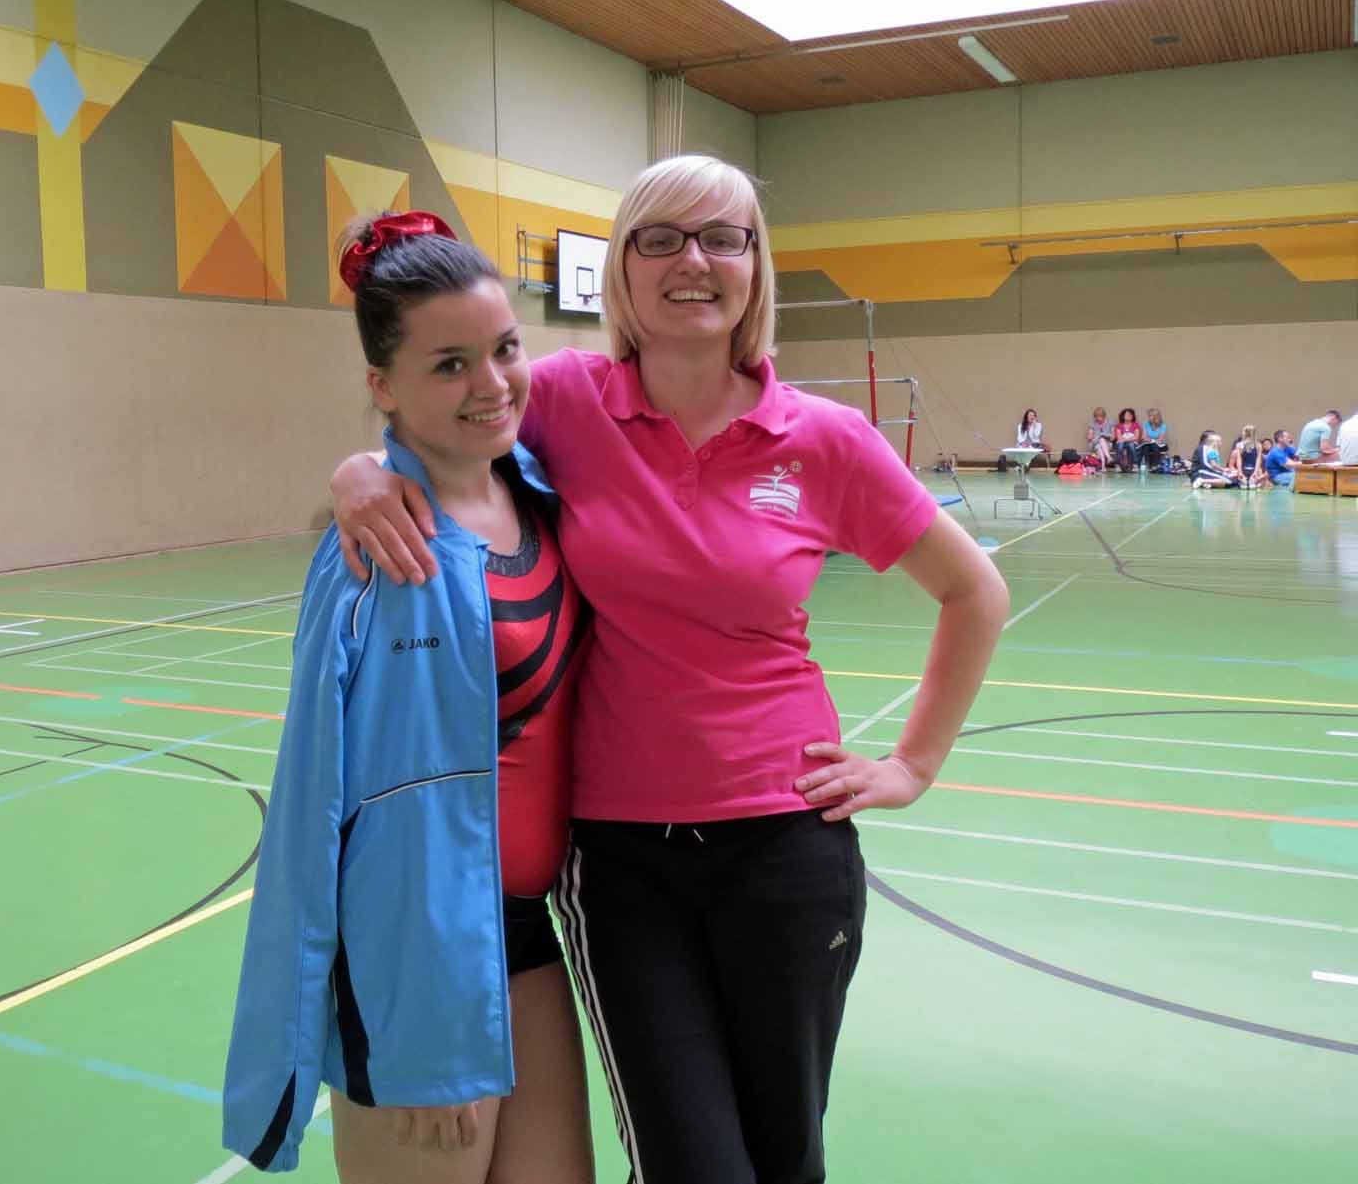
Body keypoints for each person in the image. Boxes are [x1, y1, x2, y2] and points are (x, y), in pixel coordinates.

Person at [330, 155, 1010, 1184]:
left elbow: (974, 592)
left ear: (754, 265)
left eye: (721, 237)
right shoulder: (563, 399)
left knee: (785, 1158)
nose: (692, 260)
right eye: (661, 238)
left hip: (787, 849)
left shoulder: (823, 440)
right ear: (623, 268)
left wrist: (911, 765)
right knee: (691, 1162)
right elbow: (442, 421)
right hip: (622, 866)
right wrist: (361, 472)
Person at [224, 212, 595, 1184]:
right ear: (382, 386)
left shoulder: (540, 489)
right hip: (419, 962)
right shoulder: (372, 556)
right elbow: (325, 812)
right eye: (449, 365)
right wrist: (419, 1016)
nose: (492, 383)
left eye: (504, 349)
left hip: (527, 938)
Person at [1112, 407, 1142, 472]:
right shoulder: (1119, 425)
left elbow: (1136, 437)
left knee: (1131, 445)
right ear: (1123, 416)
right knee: (1120, 445)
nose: (1129, 416)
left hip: (1132, 443)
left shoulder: (1135, 425)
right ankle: (1118, 465)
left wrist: (1126, 440)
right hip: (1122, 443)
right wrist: (1126, 439)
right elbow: (1119, 437)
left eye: (1130, 414)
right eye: (1127, 414)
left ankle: (1135, 465)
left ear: (1133, 416)